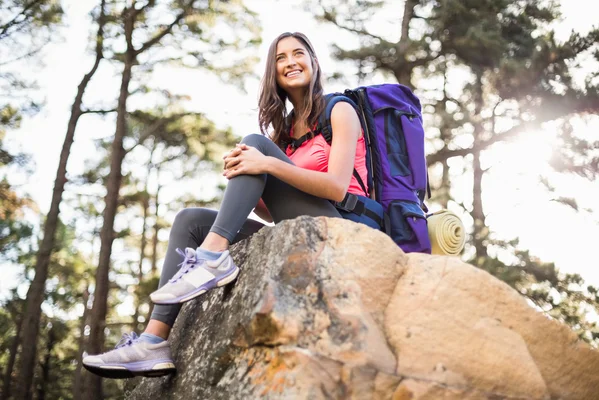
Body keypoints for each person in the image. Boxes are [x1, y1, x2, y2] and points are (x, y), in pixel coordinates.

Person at [82, 31, 385, 379]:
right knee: (190, 219)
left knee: (253, 145)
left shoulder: (340, 109)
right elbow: (273, 214)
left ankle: (211, 257)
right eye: (280, 58)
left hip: (346, 231)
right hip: (303, 227)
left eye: (298, 53)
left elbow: (334, 186)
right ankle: (154, 341)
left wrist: (267, 164)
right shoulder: (283, 133)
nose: (290, 62)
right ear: (273, 74)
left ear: (314, 63)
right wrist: (249, 182)